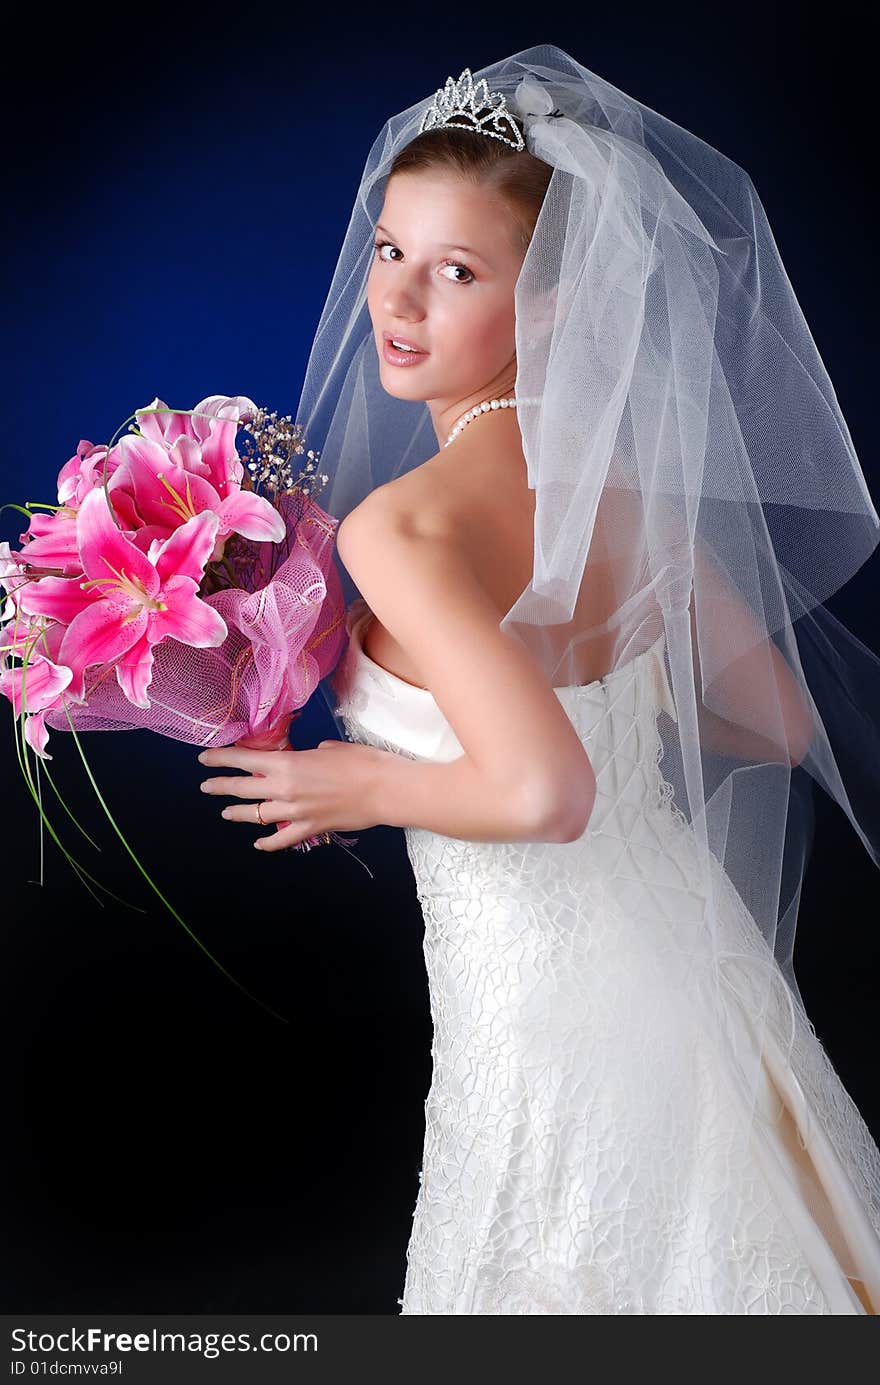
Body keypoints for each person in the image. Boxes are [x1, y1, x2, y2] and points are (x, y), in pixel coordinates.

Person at [198, 46, 880, 1313]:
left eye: (455, 271)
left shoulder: (400, 529)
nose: (396, 300)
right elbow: (777, 723)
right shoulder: (626, 488)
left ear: (555, 296)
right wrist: (625, 692)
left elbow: (547, 791)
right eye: (391, 251)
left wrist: (365, 783)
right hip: (695, 963)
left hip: (557, 1018)